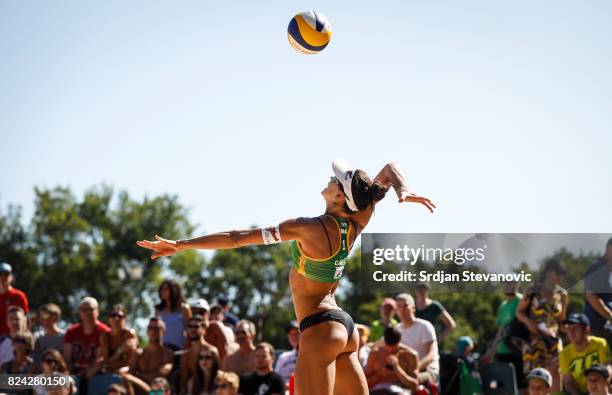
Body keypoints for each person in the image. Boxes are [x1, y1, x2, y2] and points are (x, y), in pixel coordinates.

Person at [137, 159, 435, 395]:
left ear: (340, 197)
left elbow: (237, 238)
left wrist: (179, 245)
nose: (331, 179)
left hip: (319, 328)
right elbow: (390, 169)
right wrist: (402, 192)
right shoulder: (358, 218)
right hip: (344, 329)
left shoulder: (307, 227)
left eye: (336, 180)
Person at [516, 258, 568, 392]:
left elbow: (561, 320)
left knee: (556, 372)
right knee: (534, 377)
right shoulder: (533, 290)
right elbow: (519, 312)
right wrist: (529, 322)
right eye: (558, 274)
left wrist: (571, 330)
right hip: (534, 339)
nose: (560, 278)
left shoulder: (562, 294)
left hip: (553, 341)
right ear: (549, 272)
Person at [483, 281, 525, 388]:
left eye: (512, 283)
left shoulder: (521, 300)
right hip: (503, 351)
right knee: (503, 385)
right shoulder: (502, 306)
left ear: (517, 285)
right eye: (506, 283)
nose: (509, 286)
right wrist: (492, 352)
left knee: (521, 385)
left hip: (518, 350)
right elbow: (500, 330)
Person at [559, 313, 610, 395]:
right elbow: (568, 382)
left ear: (586, 330)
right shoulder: (564, 353)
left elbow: (607, 369)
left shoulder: (600, 344)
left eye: (576, 328)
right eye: (569, 328)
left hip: (600, 387)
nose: (571, 331)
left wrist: (602, 389)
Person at [395, 293, 439, 386]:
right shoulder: (396, 330)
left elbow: (431, 355)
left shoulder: (425, 326)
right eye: (399, 306)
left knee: (410, 381)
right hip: (406, 371)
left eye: (405, 306)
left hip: (428, 370)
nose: (402, 309)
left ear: (413, 308)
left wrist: (414, 368)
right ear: (396, 310)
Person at [63, 297, 111, 376]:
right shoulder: (71, 331)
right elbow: (67, 357)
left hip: (95, 374)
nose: (87, 312)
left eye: (91, 309)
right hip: (73, 373)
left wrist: (85, 375)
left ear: (97, 311)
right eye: (84, 309)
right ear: (79, 312)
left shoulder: (105, 332)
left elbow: (101, 358)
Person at [365, 326, 419, 394]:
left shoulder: (410, 355)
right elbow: (362, 382)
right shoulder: (375, 354)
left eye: (394, 348)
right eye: (387, 347)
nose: (390, 350)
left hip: (401, 390)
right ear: (384, 341)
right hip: (378, 390)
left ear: (399, 341)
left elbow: (414, 385)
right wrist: (379, 376)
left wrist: (397, 368)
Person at [584, 238, 612, 348]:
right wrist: (610, 317)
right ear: (609, 249)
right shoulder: (599, 267)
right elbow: (591, 296)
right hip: (598, 330)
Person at [180, 315, 219, 394]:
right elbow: (184, 379)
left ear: (204, 330)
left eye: (196, 326)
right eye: (190, 326)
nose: (192, 329)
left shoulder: (212, 351)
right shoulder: (186, 355)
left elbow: (218, 375)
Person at [129, 317, 174, 385]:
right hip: (140, 391)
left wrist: (139, 376)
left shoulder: (167, 354)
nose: (153, 331)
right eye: (150, 328)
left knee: (158, 384)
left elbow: (160, 375)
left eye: (157, 328)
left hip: (157, 391)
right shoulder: (138, 353)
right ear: (147, 331)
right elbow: (130, 375)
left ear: (163, 332)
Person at [98, 304, 139, 373]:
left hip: (127, 369)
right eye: (113, 315)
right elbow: (106, 361)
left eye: (120, 316)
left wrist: (110, 365)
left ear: (125, 319)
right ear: (109, 319)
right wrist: (120, 350)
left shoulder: (129, 334)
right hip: (112, 369)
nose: (116, 318)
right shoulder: (105, 336)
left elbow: (130, 362)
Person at [155, 279, 192, 351]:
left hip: (179, 349)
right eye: (161, 289)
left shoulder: (184, 308)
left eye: (165, 289)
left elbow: (190, 331)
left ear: (174, 290)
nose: (162, 291)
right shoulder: (158, 310)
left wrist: (185, 350)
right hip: (162, 350)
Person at [0, 262, 29, 337]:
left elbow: (24, 319)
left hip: (15, 339)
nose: (3, 277)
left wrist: (23, 338)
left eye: (6, 274)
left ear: (11, 276)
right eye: (0, 274)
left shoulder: (18, 296)